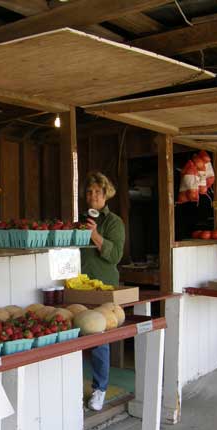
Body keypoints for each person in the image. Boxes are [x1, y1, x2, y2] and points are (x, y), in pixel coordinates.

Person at [80, 172, 125, 411]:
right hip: (77, 286)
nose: (93, 196)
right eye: (89, 192)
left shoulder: (114, 222)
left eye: (98, 191)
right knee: (73, 333)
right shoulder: (78, 219)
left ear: (106, 194)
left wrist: (95, 235)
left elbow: (116, 255)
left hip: (104, 287)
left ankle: (99, 389)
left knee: (99, 338)